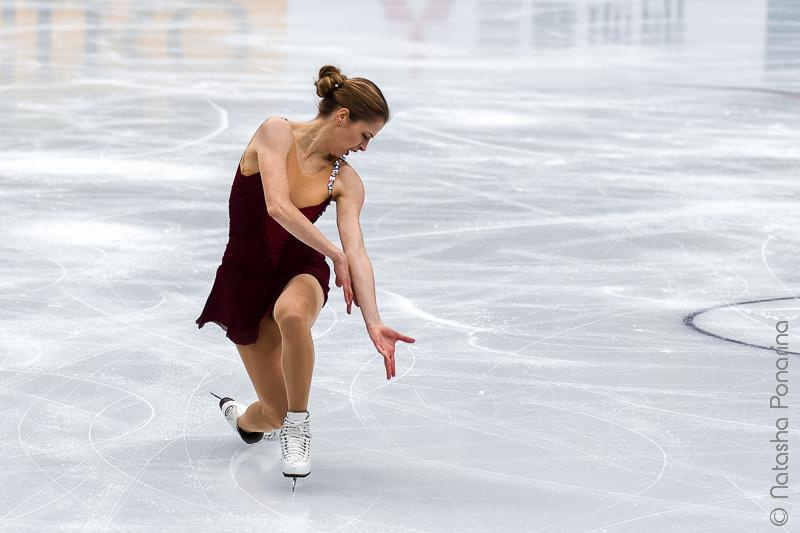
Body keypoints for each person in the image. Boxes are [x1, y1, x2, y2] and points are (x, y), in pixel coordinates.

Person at [195, 65, 416, 490]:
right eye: (365, 136)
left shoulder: (346, 181)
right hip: (244, 279)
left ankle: (299, 427)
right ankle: (244, 420)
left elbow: (357, 253)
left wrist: (373, 320)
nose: (365, 148)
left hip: (301, 271)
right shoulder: (275, 132)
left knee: (293, 314)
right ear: (342, 116)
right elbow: (277, 206)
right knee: (269, 413)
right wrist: (332, 251)